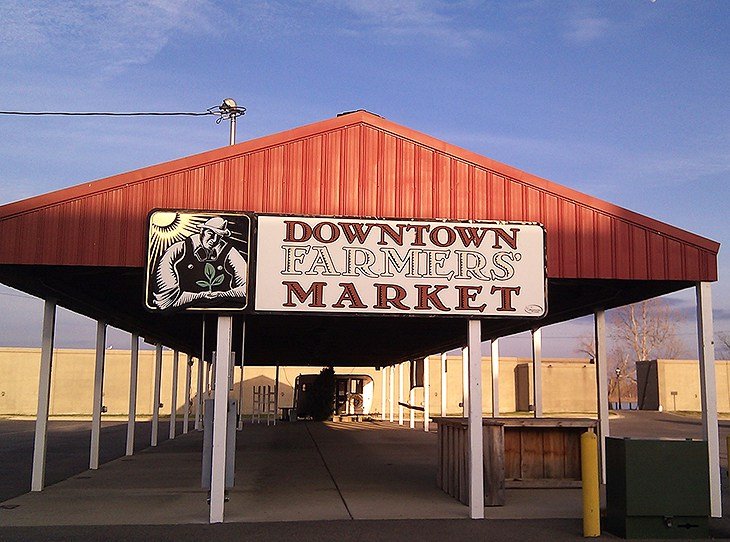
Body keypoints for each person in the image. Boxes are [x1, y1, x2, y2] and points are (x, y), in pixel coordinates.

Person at [152, 216, 247, 310]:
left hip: (223, 310)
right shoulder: (177, 250)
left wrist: (222, 295)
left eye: (219, 236)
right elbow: (164, 299)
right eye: (210, 233)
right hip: (181, 316)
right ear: (202, 231)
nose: (214, 240)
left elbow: (247, 289)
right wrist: (198, 296)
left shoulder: (230, 252)